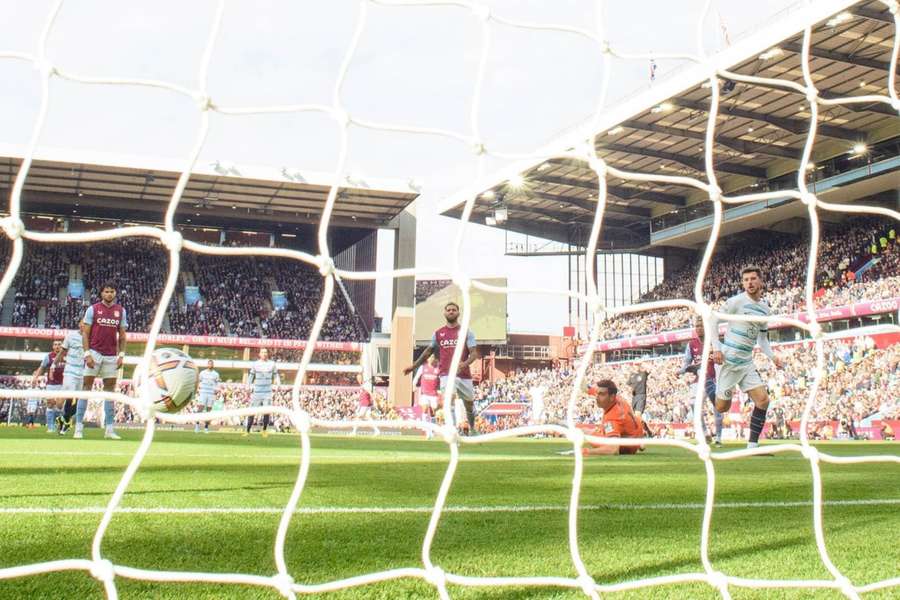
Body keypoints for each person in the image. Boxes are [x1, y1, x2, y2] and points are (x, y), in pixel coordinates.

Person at [710, 266, 783, 450]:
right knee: (722, 408)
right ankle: (713, 387)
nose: (749, 283)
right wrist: (717, 348)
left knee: (763, 400)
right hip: (728, 361)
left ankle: (752, 445)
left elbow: (762, 338)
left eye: (752, 279)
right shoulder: (736, 302)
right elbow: (713, 320)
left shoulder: (765, 309)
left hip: (746, 362)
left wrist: (773, 357)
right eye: (746, 280)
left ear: (761, 281)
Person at [403, 302, 480, 435]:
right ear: (444, 313)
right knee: (449, 398)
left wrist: (465, 363)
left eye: (454, 310)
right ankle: (453, 430)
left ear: (458, 313)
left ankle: (472, 428)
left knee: (469, 405)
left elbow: (474, 353)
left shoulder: (466, 332)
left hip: (464, 374)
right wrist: (414, 366)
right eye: (448, 310)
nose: (451, 312)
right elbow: (428, 351)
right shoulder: (438, 333)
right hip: (446, 373)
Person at [81, 282, 127, 440]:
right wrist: (87, 354)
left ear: (115, 293)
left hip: (111, 356)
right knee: (86, 388)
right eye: (106, 291)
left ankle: (109, 429)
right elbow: (85, 334)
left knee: (110, 392)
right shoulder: (93, 309)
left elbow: (122, 335)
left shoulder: (120, 311)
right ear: (101, 293)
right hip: (94, 352)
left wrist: (121, 355)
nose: (109, 294)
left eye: (112, 291)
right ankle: (79, 427)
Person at [681, 320, 723, 447]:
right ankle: (705, 433)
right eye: (696, 326)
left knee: (718, 409)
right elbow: (686, 364)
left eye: (701, 326)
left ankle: (719, 438)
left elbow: (723, 359)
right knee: (694, 405)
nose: (698, 328)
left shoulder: (714, 342)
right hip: (699, 381)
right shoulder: (691, 344)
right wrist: (681, 371)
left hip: (714, 380)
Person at [583, 379, 645, 456]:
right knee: (600, 429)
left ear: (612, 397)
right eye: (597, 394)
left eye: (601, 394)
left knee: (585, 432)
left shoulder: (612, 418)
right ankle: (640, 443)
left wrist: (587, 452)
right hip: (636, 434)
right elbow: (588, 389)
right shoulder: (617, 398)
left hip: (628, 447)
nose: (597, 397)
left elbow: (613, 449)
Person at [56, 328, 85, 437]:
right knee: (70, 397)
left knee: (76, 399)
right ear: (80, 324)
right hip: (70, 372)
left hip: (81, 372)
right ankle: (65, 421)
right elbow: (63, 351)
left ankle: (64, 419)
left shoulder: (90, 337)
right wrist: (54, 364)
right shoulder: (71, 336)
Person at [244, 348, 279, 438]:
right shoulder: (255, 364)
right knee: (252, 411)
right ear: (259, 354)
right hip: (257, 392)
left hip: (267, 392)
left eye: (266, 352)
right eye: (262, 352)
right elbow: (251, 376)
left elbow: (276, 375)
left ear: (268, 354)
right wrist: (247, 386)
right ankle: (247, 430)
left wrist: (278, 383)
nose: (264, 354)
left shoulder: (272, 364)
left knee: (266, 412)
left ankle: (264, 430)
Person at [31, 340, 64, 433]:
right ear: (53, 346)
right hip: (51, 385)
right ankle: (50, 427)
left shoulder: (66, 356)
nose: (57, 346)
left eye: (59, 344)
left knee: (60, 406)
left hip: (63, 385)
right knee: (50, 404)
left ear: (62, 346)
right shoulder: (48, 356)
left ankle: (61, 426)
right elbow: (41, 367)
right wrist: (35, 378)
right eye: (55, 344)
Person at [412, 354, 441, 439]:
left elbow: (442, 379)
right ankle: (427, 431)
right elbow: (416, 377)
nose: (432, 359)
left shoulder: (438, 368)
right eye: (430, 357)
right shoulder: (422, 367)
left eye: (433, 357)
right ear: (427, 359)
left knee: (432, 412)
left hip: (433, 394)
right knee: (424, 410)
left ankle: (432, 430)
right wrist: (413, 385)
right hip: (424, 393)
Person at [195, 359, 221, 434]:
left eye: (211, 364)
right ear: (207, 365)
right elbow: (198, 381)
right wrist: (197, 390)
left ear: (213, 365)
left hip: (211, 394)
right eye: (209, 364)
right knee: (200, 409)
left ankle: (206, 428)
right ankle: (197, 425)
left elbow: (217, 383)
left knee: (209, 411)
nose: (210, 365)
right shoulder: (202, 373)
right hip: (203, 392)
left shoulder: (216, 374)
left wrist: (216, 390)